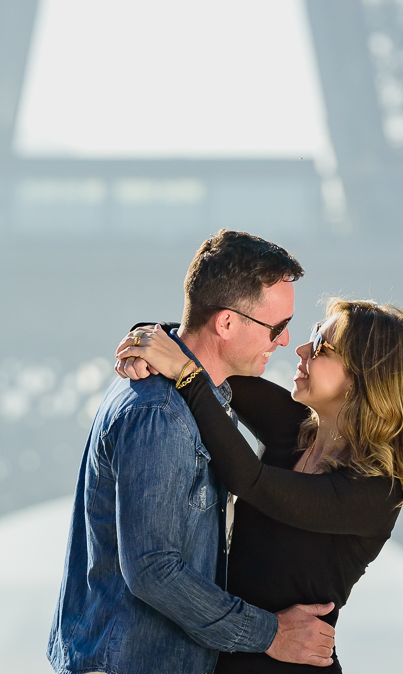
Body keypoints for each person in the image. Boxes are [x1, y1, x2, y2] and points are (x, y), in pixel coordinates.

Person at [48, 230, 337, 674]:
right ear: (226, 324)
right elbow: (153, 570)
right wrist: (272, 634)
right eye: (277, 327)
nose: (284, 342)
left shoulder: (196, 396)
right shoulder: (161, 415)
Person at [115, 298, 403, 673]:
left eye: (321, 346)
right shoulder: (295, 430)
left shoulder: (375, 492)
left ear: (364, 377)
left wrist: (184, 372)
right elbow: (209, 358)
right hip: (227, 657)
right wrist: (145, 340)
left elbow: (250, 479)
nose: (300, 349)